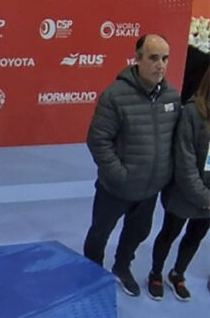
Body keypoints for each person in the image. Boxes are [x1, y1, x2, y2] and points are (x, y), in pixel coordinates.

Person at [84, 34, 180, 297]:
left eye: (164, 58)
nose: (160, 65)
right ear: (137, 60)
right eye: (153, 58)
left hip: (150, 189)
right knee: (99, 234)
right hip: (115, 188)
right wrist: (119, 175)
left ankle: (122, 267)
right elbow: (98, 140)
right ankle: (91, 273)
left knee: (137, 233)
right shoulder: (115, 96)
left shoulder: (172, 96)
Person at [147, 67, 210, 302]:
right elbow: (185, 164)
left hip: (208, 201)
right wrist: (205, 197)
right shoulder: (192, 113)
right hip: (184, 194)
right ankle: (155, 274)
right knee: (169, 234)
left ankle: (178, 274)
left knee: (195, 237)